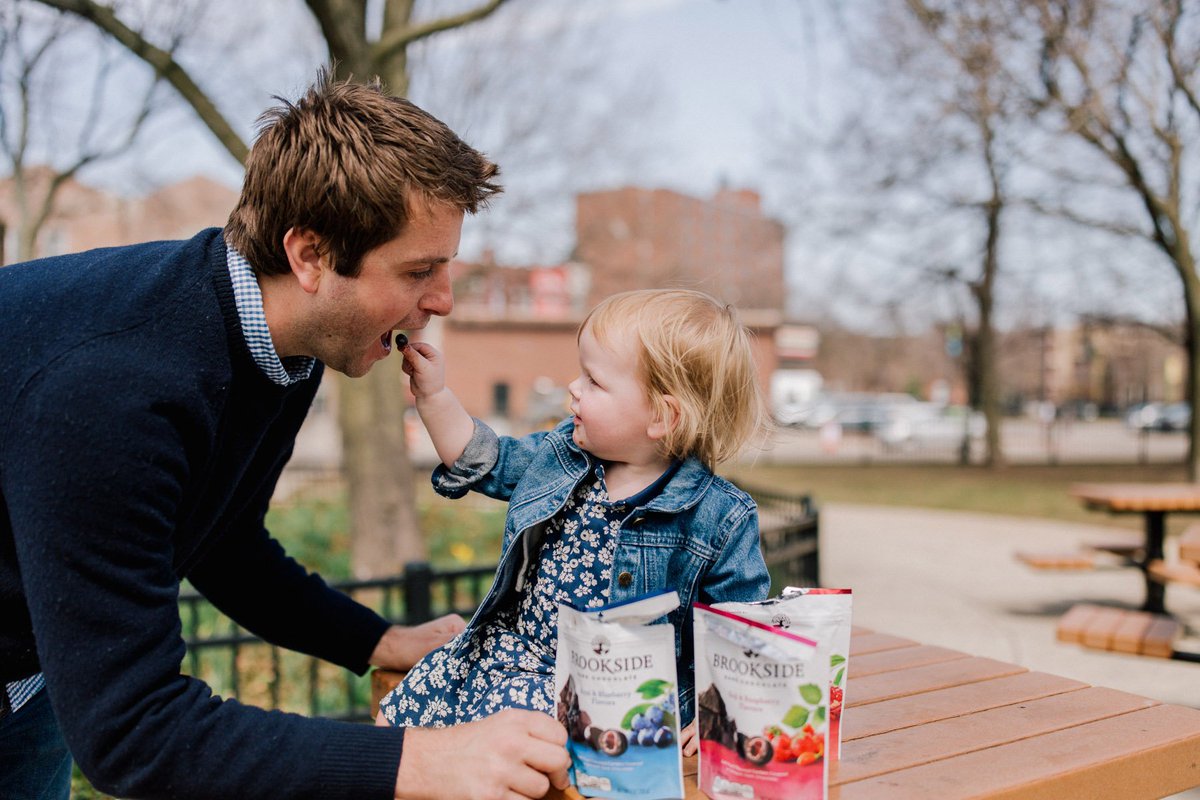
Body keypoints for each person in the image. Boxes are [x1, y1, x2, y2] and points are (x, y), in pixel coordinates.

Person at [0, 70, 569, 800]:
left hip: (26, 683)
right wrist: (424, 760)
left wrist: (374, 642)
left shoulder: (283, 349)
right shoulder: (113, 393)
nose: (442, 300)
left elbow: (223, 541)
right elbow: (132, 732)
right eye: (419, 270)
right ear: (309, 256)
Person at [377, 289, 771, 754]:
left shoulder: (717, 515)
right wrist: (435, 396)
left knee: (503, 752)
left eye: (595, 381)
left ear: (663, 416)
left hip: (609, 694)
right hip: (514, 655)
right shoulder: (562, 456)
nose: (573, 387)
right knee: (394, 719)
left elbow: (739, 631)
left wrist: (720, 709)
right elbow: (484, 460)